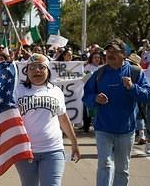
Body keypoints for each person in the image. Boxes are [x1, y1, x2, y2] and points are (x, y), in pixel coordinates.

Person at [82, 38, 150, 186]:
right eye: (108, 52)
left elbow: (147, 95)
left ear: (124, 54)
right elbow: (86, 97)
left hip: (126, 130)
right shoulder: (99, 73)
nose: (110, 55)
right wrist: (95, 99)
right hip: (103, 129)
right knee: (105, 165)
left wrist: (133, 88)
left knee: (122, 169)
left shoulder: (135, 72)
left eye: (115, 52)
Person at [15, 53, 80, 186]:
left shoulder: (56, 91)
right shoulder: (17, 91)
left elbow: (63, 118)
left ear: (48, 71)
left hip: (53, 150)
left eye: (41, 67)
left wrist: (74, 142)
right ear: (26, 71)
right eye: (32, 67)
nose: (37, 70)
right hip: (25, 152)